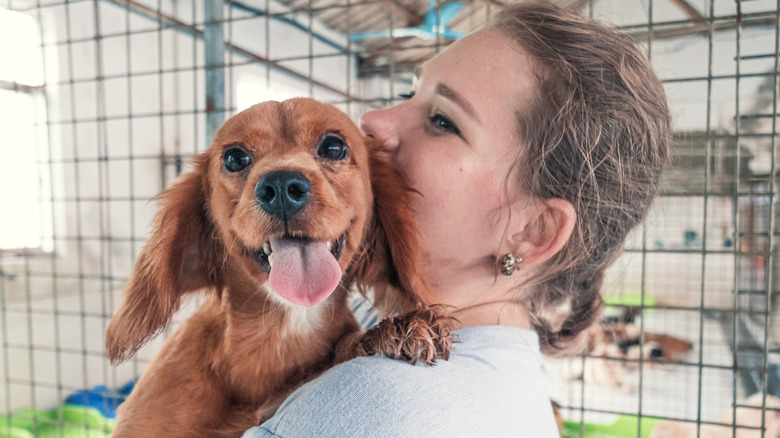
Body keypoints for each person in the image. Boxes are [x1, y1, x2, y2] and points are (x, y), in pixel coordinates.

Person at [244, 3, 671, 437]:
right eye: (407, 96)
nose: (372, 121)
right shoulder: (512, 382)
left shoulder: (378, 404)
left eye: (442, 121)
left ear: (531, 231)